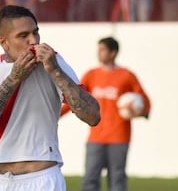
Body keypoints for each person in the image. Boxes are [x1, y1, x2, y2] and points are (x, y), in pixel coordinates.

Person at [0, 5, 101, 191]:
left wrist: (56, 72)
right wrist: (13, 78)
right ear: (3, 42)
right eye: (23, 36)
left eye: (36, 33)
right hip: (0, 181)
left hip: (43, 179)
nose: (33, 41)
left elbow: (93, 116)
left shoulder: (53, 62)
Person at [61, 37, 151, 191]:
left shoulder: (126, 75)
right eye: (98, 49)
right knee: (90, 177)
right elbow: (75, 99)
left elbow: (145, 103)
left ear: (113, 53)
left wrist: (138, 111)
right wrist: (54, 115)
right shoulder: (91, 74)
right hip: (96, 136)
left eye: (102, 50)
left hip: (119, 136)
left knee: (117, 178)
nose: (99, 53)